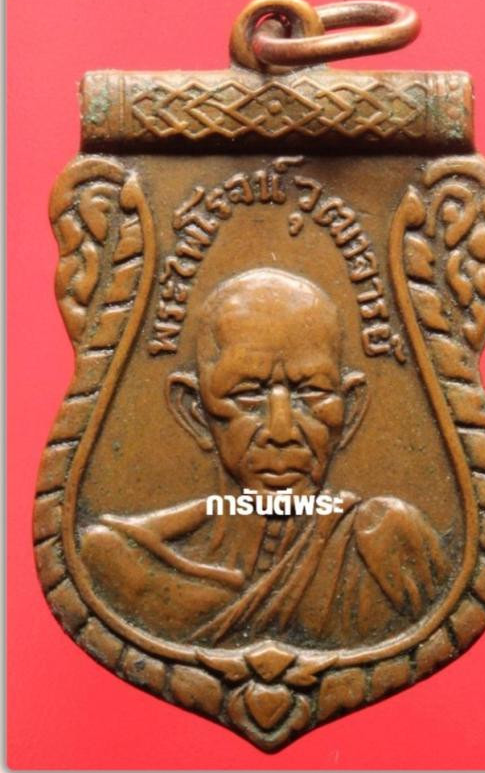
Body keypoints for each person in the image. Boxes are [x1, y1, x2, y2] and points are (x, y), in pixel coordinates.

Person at [81, 268, 448, 647]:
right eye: (248, 395)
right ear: (194, 411)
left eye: (311, 391)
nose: (281, 430)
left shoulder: (379, 546)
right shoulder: (122, 560)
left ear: (350, 410)